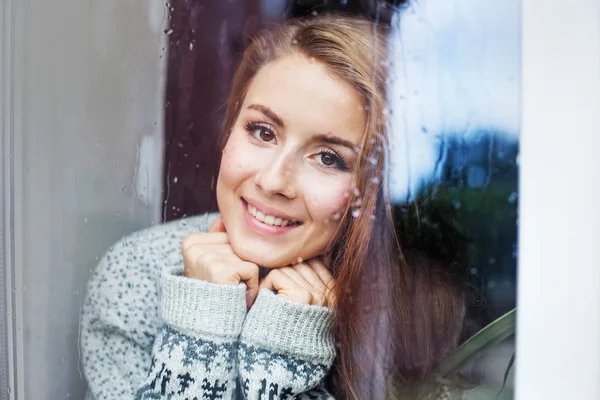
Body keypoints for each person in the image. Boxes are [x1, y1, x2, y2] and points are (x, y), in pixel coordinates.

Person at [80, 13, 465, 400]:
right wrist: (201, 326)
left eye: (329, 158)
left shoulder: (408, 311)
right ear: (230, 130)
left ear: (371, 189)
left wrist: (282, 363)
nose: (273, 181)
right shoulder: (138, 274)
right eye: (262, 132)